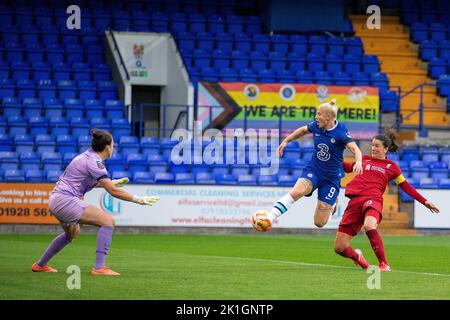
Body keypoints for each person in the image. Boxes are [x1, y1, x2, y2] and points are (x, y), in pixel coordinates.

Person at [32, 129, 160, 276]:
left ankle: (40, 265)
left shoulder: (87, 157)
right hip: (65, 200)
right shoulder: (95, 162)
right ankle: (99, 268)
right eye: (113, 144)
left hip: (57, 200)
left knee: (72, 234)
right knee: (107, 220)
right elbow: (113, 192)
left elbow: (86, 181)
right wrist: (140, 200)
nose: (114, 147)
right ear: (107, 147)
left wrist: (111, 182)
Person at [334, 130, 440, 271]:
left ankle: (384, 264)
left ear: (386, 149)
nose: (373, 148)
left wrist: (424, 201)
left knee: (369, 225)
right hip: (354, 201)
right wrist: (334, 159)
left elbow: (405, 186)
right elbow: (348, 168)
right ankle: (358, 257)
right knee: (340, 247)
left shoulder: (392, 167)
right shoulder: (364, 159)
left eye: (377, 146)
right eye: (372, 145)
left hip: (373, 199)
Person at [253, 98, 363, 232]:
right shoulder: (317, 125)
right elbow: (303, 130)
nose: (316, 117)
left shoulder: (340, 132)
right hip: (314, 170)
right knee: (297, 191)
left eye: (319, 114)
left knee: (319, 222)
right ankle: (269, 218)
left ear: (328, 117)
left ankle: (333, 202)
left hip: (331, 178)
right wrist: (286, 141)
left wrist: (358, 162)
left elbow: (355, 149)